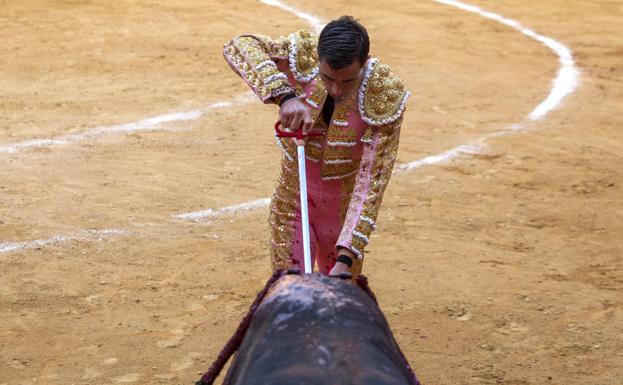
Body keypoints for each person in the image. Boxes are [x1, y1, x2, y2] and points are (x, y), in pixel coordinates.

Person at [223, 16, 409, 277]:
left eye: (347, 81)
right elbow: (239, 46)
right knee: (292, 291)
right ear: (318, 59)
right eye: (327, 78)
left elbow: (372, 182)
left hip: (343, 216)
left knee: (338, 299)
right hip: (294, 199)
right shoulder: (304, 54)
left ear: (365, 63)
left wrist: (347, 255)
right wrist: (284, 96)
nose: (335, 89)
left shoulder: (385, 93)